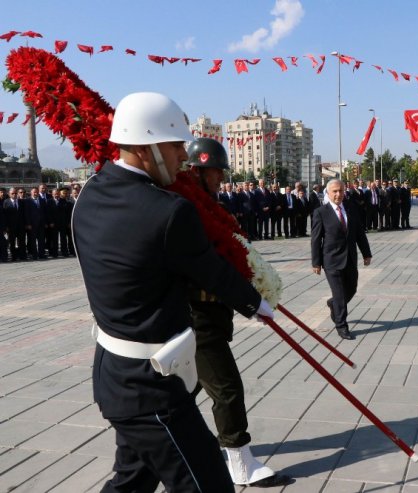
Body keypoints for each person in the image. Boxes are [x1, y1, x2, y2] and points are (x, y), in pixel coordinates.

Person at [72, 92, 274, 492]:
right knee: (209, 486)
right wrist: (258, 303)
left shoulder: (89, 195)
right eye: (176, 144)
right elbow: (210, 270)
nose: (183, 155)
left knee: (131, 482)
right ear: (148, 148)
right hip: (151, 389)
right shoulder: (167, 211)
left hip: (113, 373)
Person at [185, 138, 291, 487]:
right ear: (198, 171)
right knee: (227, 389)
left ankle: (158, 447)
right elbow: (209, 267)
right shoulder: (188, 209)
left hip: (212, 315)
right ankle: (240, 462)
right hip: (195, 318)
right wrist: (251, 299)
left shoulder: (208, 206)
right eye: (216, 171)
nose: (221, 178)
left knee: (183, 392)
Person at [311, 179, 372, 340]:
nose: (338, 194)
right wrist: (316, 262)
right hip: (331, 260)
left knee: (351, 289)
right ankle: (341, 325)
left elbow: (359, 232)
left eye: (341, 191)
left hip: (350, 258)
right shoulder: (321, 212)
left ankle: (333, 304)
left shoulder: (351, 208)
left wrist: (366, 253)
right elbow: (316, 239)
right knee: (339, 295)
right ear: (328, 193)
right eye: (335, 192)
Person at [24, 186, 47, 260]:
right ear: (31, 193)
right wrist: (28, 224)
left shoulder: (42, 200)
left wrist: (45, 222)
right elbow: (26, 213)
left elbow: (45, 212)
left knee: (41, 240)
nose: (35, 193)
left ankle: (41, 254)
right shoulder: (27, 201)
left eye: (36, 192)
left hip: (41, 224)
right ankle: (34, 255)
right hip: (32, 224)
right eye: (34, 192)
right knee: (33, 241)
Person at [4, 188, 26, 261]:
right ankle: (14, 257)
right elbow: (5, 215)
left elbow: (24, 214)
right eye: (12, 193)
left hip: (21, 226)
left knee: (22, 242)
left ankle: (22, 256)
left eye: (15, 193)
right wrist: (6, 226)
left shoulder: (21, 202)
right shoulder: (6, 202)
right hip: (11, 226)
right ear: (9, 194)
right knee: (12, 242)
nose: (14, 195)